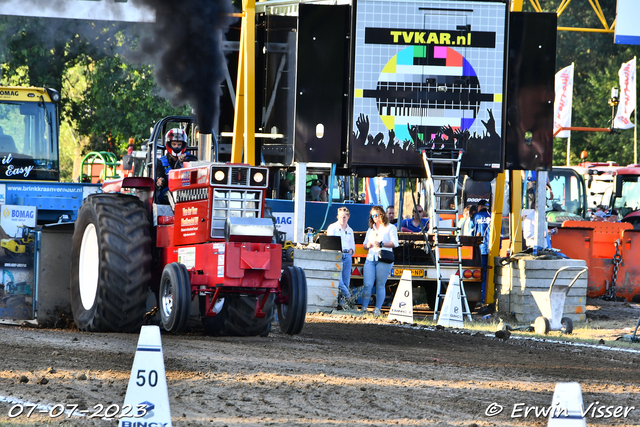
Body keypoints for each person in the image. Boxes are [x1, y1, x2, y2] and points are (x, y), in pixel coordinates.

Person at [360, 206, 399, 317]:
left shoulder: (390, 227)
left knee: (380, 284)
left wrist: (382, 244)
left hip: (384, 258)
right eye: (373, 215)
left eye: (376, 215)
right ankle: (364, 308)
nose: (375, 217)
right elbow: (364, 244)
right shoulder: (370, 229)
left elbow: (395, 243)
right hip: (371, 258)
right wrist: (367, 245)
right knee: (367, 285)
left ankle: (377, 309)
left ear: (382, 215)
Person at [327, 207, 356, 309]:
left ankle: (342, 304)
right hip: (337, 255)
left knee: (346, 281)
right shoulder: (332, 227)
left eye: (344, 217)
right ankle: (348, 297)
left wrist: (351, 251)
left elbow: (353, 246)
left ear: (348, 217)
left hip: (347, 255)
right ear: (337, 217)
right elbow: (330, 243)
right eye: (340, 217)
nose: (342, 219)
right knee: (339, 281)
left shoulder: (350, 230)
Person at [156, 128, 190, 204]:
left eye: (179, 144)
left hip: (188, 192)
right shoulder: (161, 162)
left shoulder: (190, 160)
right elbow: (158, 177)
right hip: (168, 194)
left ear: (183, 145)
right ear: (169, 144)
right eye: (174, 144)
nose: (177, 147)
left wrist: (184, 161)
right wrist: (160, 180)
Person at [471, 199, 491, 303]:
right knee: (489, 275)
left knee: (479, 275)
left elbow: (471, 233)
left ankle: (481, 299)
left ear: (479, 206)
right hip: (491, 251)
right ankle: (487, 298)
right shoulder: (493, 216)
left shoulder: (476, 217)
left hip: (479, 250)